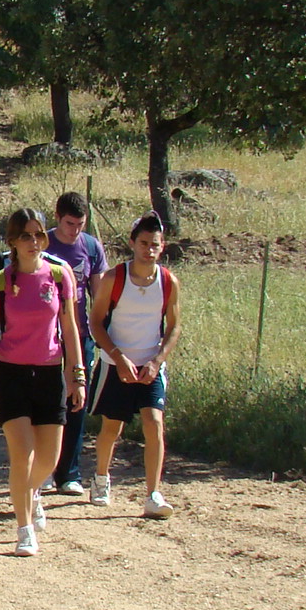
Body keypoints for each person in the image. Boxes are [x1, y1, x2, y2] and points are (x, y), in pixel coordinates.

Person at [0, 207, 85, 556]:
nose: (34, 242)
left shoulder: (60, 274)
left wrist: (77, 375)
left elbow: (70, 329)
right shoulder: (1, 281)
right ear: (12, 242)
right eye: (26, 236)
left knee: (48, 461)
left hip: (50, 374)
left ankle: (32, 492)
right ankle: (23, 528)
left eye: (38, 234)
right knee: (23, 454)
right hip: (11, 375)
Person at [87, 212, 181, 519]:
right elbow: (95, 323)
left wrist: (157, 360)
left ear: (162, 246)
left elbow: (174, 326)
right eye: (143, 243)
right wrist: (118, 356)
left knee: (154, 424)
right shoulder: (115, 278)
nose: (148, 250)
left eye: (154, 244)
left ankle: (153, 493)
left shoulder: (168, 282)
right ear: (132, 243)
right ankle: (101, 478)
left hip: (150, 365)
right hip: (115, 364)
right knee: (112, 427)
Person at [45, 190, 109, 498]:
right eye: (70, 223)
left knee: (76, 402)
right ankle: (44, 468)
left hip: (80, 336)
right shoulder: (42, 244)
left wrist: (102, 331)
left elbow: (100, 296)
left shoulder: (92, 247)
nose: (75, 230)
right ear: (58, 218)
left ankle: (69, 472)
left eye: (81, 224)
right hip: (44, 337)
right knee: (47, 402)